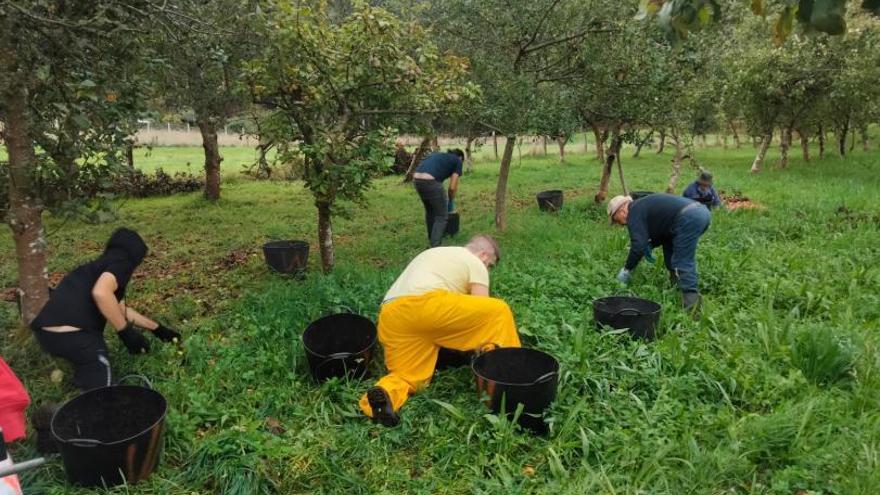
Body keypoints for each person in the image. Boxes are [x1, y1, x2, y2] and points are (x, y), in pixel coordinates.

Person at [359, 235, 521, 427]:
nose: (487, 270)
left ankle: (382, 398)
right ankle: (514, 378)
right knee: (497, 313)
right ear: (484, 255)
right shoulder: (474, 262)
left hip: (392, 314)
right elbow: (482, 307)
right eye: (490, 266)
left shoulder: (433, 254)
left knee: (408, 376)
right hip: (428, 306)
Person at [30, 228, 181, 391]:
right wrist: (125, 332)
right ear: (135, 254)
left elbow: (118, 307)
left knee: (89, 370)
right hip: (75, 335)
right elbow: (101, 293)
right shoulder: (123, 263)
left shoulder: (96, 267)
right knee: (104, 392)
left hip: (46, 333)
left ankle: (85, 381)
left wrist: (158, 329)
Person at [608, 194, 711, 312]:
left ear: (621, 211)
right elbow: (662, 229)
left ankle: (693, 308)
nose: (620, 224)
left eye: (616, 220)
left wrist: (627, 270)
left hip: (689, 218)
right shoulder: (641, 205)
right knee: (670, 250)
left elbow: (638, 246)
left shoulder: (633, 211)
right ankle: (677, 287)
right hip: (698, 212)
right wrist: (651, 244)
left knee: (682, 261)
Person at [413, 149, 464, 247]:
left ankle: (431, 238)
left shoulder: (437, 155)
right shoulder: (458, 161)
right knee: (441, 216)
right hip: (431, 182)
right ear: (460, 158)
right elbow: (452, 187)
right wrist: (451, 200)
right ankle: (435, 246)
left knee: (430, 212)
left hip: (417, 180)